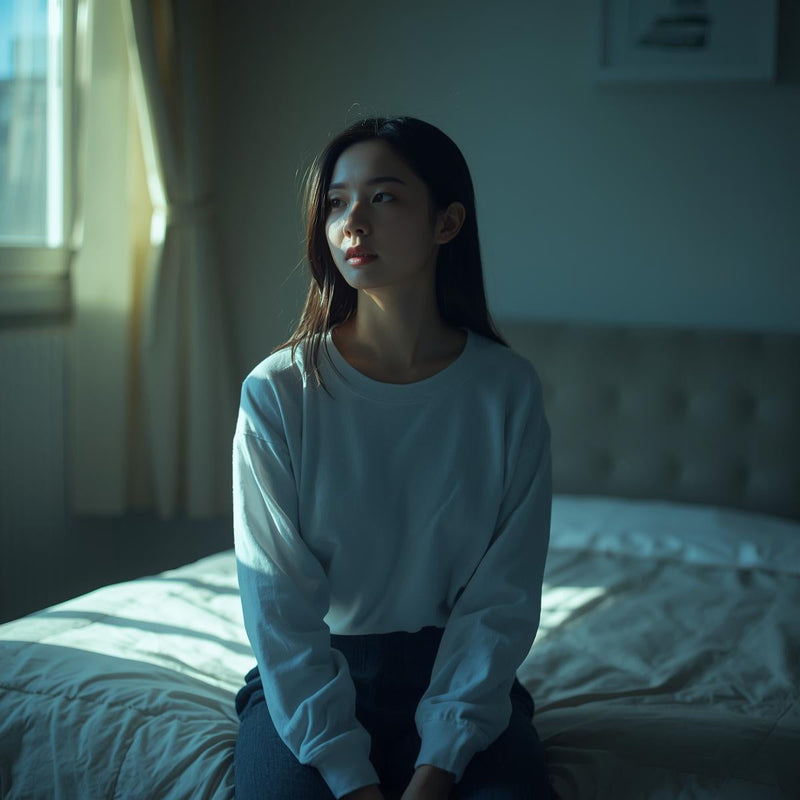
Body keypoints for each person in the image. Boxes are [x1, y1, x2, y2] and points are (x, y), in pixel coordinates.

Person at [232, 115, 554, 800]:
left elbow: (502, 599)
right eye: (337, 202)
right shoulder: (280, 392)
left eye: (383, 197)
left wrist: (438, 768)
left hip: (462, 681)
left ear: (447, 222)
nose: (353, 222)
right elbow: (277, 605)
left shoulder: (505, 390)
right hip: (314, 680)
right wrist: (352, 781)